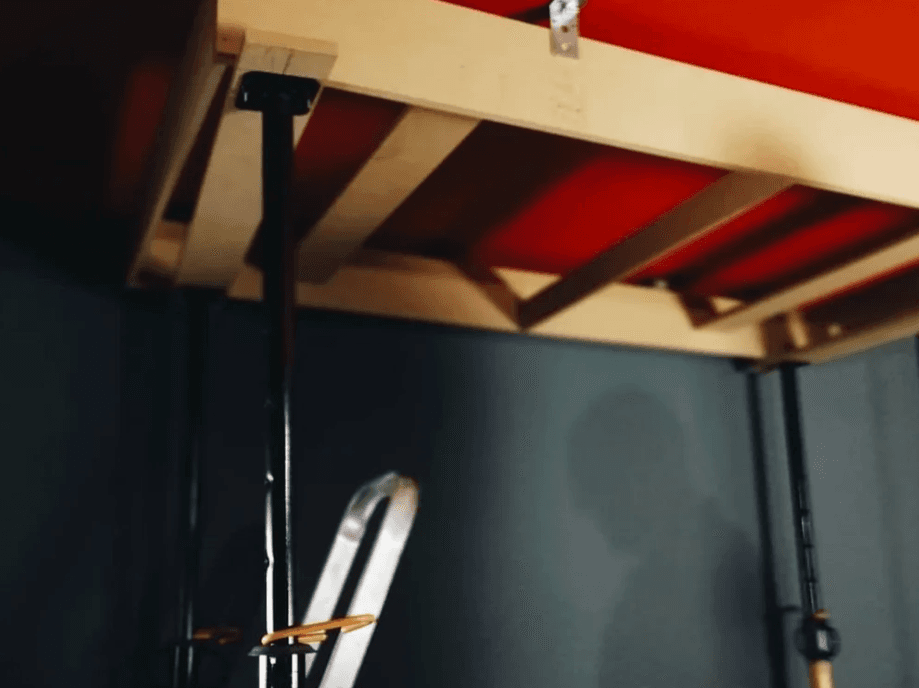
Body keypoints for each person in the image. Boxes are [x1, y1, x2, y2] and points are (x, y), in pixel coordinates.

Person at [567, 387, 766, 687]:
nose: (584, 506)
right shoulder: (716, 570)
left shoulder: (727, 578)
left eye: (595, 484)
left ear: (644, 472)